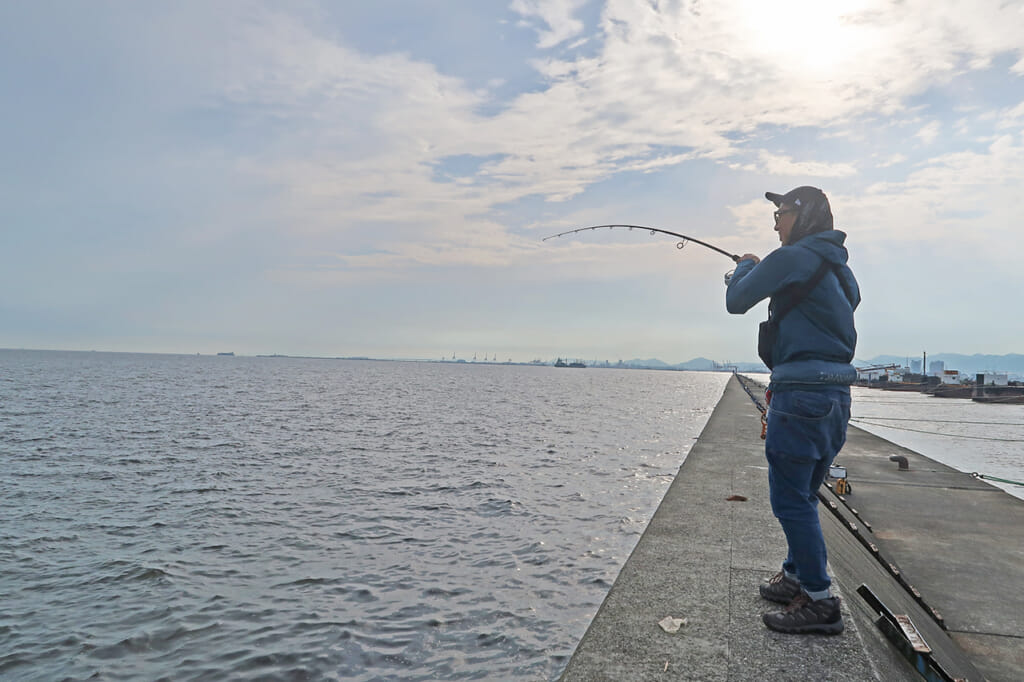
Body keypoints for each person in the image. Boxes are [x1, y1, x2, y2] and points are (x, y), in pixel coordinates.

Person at [725, 186, 860, 635]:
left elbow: (736, 301)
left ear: (801, 217)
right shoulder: (841, 269)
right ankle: (797, 575)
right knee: (804, 493)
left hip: (801, 395)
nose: (776, 223)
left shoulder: (790, 258)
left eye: (780, 214)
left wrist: (746, 266)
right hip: (835, 397)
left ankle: (819, 601)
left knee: (788, 499)